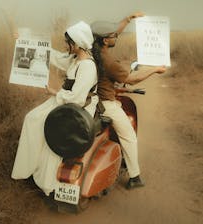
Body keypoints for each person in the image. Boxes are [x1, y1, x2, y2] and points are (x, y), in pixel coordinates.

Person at [11, 21, 98, 196]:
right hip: (65, 101)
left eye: (69, 43)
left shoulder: (87, 66)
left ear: (78, 44)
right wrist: (24, 40)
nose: (66, 46)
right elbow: (53, 55)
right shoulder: (75, 59)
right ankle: (30, 165)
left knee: (48, 128)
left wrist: (54, 92)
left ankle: (47, 182)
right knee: (32, 118)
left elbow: (78, 98)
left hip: (77, 110)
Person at [91, 13, 166, 189]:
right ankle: (135, 177)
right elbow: (132, 78)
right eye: (113, 36)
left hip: (90, 101)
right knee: (130, 137)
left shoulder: (90, 50)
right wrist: (154, 69)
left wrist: (128, 18)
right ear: (104, 41)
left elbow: (113, 30)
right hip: (106, 105)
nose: (116, 36)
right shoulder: (109, 62)